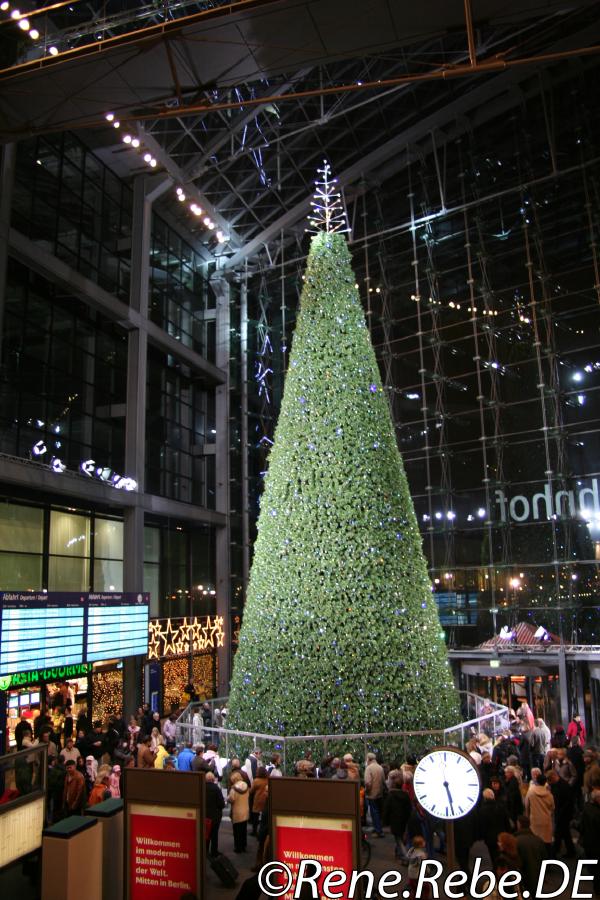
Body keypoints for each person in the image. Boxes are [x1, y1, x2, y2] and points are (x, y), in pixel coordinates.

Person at [478, 787, 511, 863]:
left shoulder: (483, 810)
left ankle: (496, 869)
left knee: (493, 855)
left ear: (484, 798)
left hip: (490, 837)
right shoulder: (501, 807)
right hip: (502, 835)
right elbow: (506, 821)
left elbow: (483, 825)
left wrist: (482, 836)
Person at [383, 772, 411, 861]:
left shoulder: (391, 795)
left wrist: (385, 821)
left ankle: (407, 857)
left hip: (394, 820)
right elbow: (409, 808)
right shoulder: (406, 795)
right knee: (400, 837)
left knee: (398, 839)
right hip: (404, 820)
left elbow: (387, 809)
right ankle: (398, 853)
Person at [546, 769, 575, 857]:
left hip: (563, 814)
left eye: (551, 780)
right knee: (565, 833)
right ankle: (570, 851)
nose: (550, 782)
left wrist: (559, 813)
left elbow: (567, 802)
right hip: (561, 812)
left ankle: (554, 852)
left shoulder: (563, 786)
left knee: (559, 833)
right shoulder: (558, 785)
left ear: (555, 776)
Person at [515, 815, 546, 897]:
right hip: (537, 873)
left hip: (524, 876)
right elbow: (545, 857)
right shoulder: (538, 840)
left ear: (519, 825)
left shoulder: (516, 840)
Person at [578, 789, 600, 896]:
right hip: (596, 843)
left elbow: (581, 825)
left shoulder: (586, 808)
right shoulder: (596, 813)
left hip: (588, 843)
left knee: (594, 867)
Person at [525, 773, 554, 850]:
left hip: (534, 820)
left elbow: (527, 806)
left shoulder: (531, 792)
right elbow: (552, 807)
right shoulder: (549, 794)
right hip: (546, 820)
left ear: (536, 781)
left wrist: (528, 816)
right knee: (546, 843)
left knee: (536, 842)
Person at [364, 752, 386, 837]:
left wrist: (367, 791)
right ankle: (378, 827)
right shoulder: (380, 768)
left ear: (368, 759)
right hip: (380, 793)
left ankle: (378, 831)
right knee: (379, 812)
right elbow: (384, 780)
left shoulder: (368, 768)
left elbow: (368, 782)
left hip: (372, 794)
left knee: (374, 812)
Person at [229, 771, 250, 853]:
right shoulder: (246, 786)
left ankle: (238, 847)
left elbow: (231, 799)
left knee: (237, 831)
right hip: (245, 810)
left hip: (237, 812)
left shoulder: (233, 788)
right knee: (244, 829)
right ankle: (244, 846)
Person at [205, 771, 225, 857]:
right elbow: (221, 803)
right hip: (215, 815)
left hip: (205, 815)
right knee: (214, 834)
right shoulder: (216, 789)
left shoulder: (202, 787)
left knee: (206, 834)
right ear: (213, 779)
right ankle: (214, 852)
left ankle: (205, 851)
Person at [249, 766, 269, 836]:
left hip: (257, 800)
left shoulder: (256, 781)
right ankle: (263, 831)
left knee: (255, 816)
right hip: (265, 800)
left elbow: (251, 791)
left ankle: (254, 831)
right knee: (264, 817)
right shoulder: (268, 780)